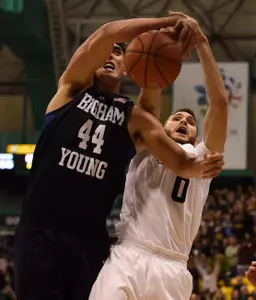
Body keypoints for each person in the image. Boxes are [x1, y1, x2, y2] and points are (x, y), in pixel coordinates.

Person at [13, 13, 223, 300]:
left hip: (87, 241)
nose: (110, 55)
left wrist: (205, 166)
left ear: (129, 67)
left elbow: (183, 162)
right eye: (107, 52)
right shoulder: (70, 91)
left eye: (118, 53)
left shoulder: (135, 120)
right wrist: (159, 25)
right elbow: (108, 32)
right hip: (39, 230)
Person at [89, 12, 228, 300]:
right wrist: (164, 38)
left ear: (195, 136)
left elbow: (220, 105)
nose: (183, 122)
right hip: (129, 254)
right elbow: (149, 99)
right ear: (160, 127)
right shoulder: (145, 144)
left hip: (173, 267)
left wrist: (201, 42)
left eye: (190, 123)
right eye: (176, 118)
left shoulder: (201, 156)